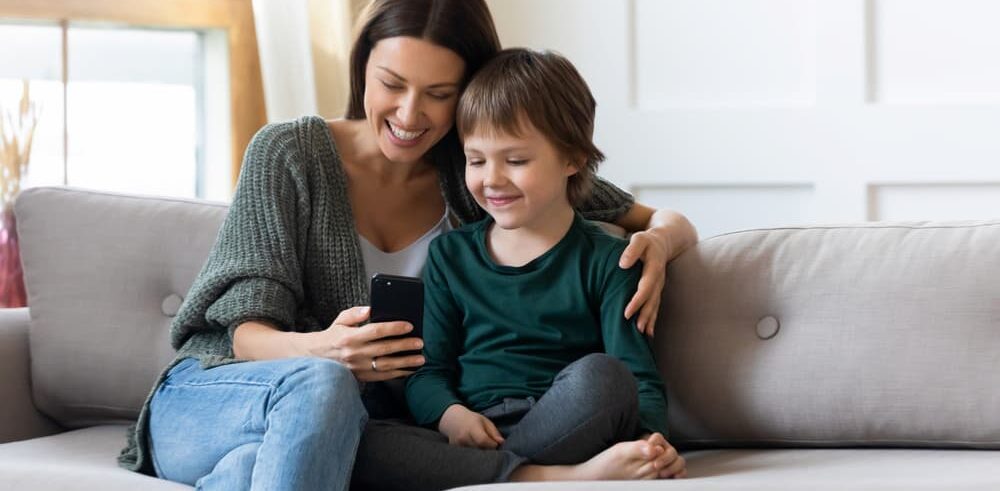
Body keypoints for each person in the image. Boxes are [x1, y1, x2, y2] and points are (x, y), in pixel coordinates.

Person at [118, 0, 697, 489]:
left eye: (439, 94)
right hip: (219, 393)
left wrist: (659, 244)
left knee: (303, 451)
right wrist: (324, 350)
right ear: (362, 67)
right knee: (328, 388)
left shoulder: (477, 173)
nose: (409, 114)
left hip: (339, 428)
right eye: (391, 84)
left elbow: (645, 210)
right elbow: (242, 333)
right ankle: (535, 476)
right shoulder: (288, 153)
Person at [395, 47, 685, 487]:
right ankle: (557, 477)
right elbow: (428, 372)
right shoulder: (449, 257)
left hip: (565, 420)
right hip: (477, 430)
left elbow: (636, 375)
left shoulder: (609, 259)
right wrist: (452, 415)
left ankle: (501, 475)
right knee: (368, 437)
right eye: (476, 160)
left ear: (572, 159)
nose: (491, 179)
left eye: (515, 161)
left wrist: (651, 443)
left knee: (605, 377)